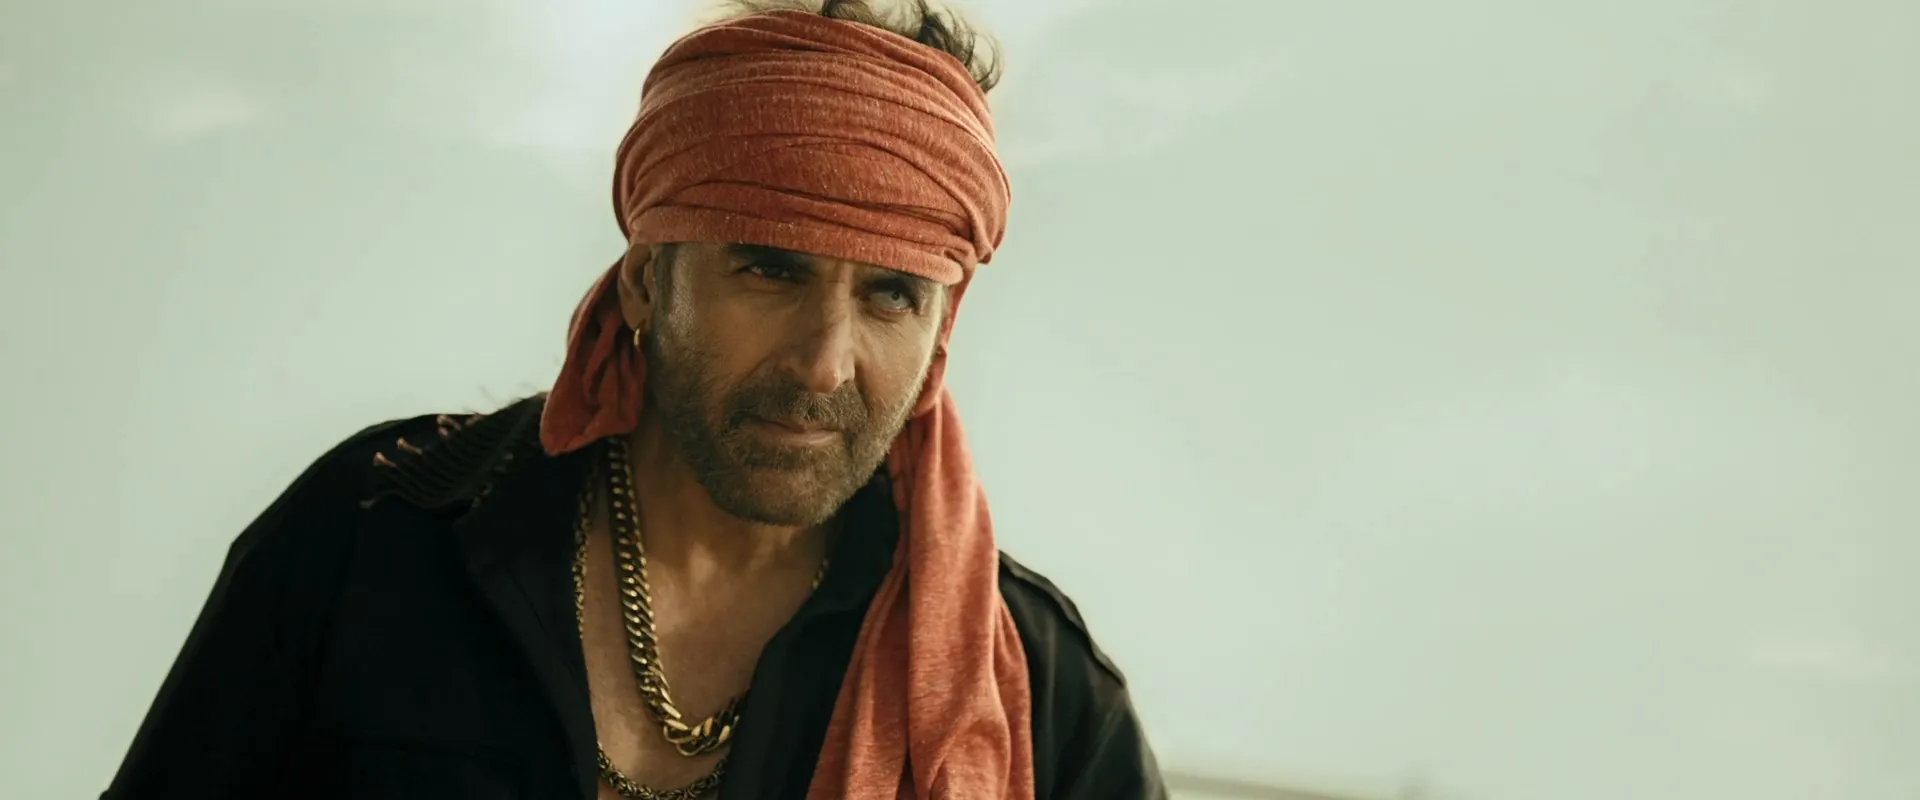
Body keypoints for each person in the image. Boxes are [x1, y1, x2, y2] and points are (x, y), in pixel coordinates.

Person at [102, 2, 1164, 798]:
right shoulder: (373, 535)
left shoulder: (1036, 693)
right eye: (771, 269)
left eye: (892, 294)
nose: (826, 364)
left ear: (941, 328)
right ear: (648, 280)